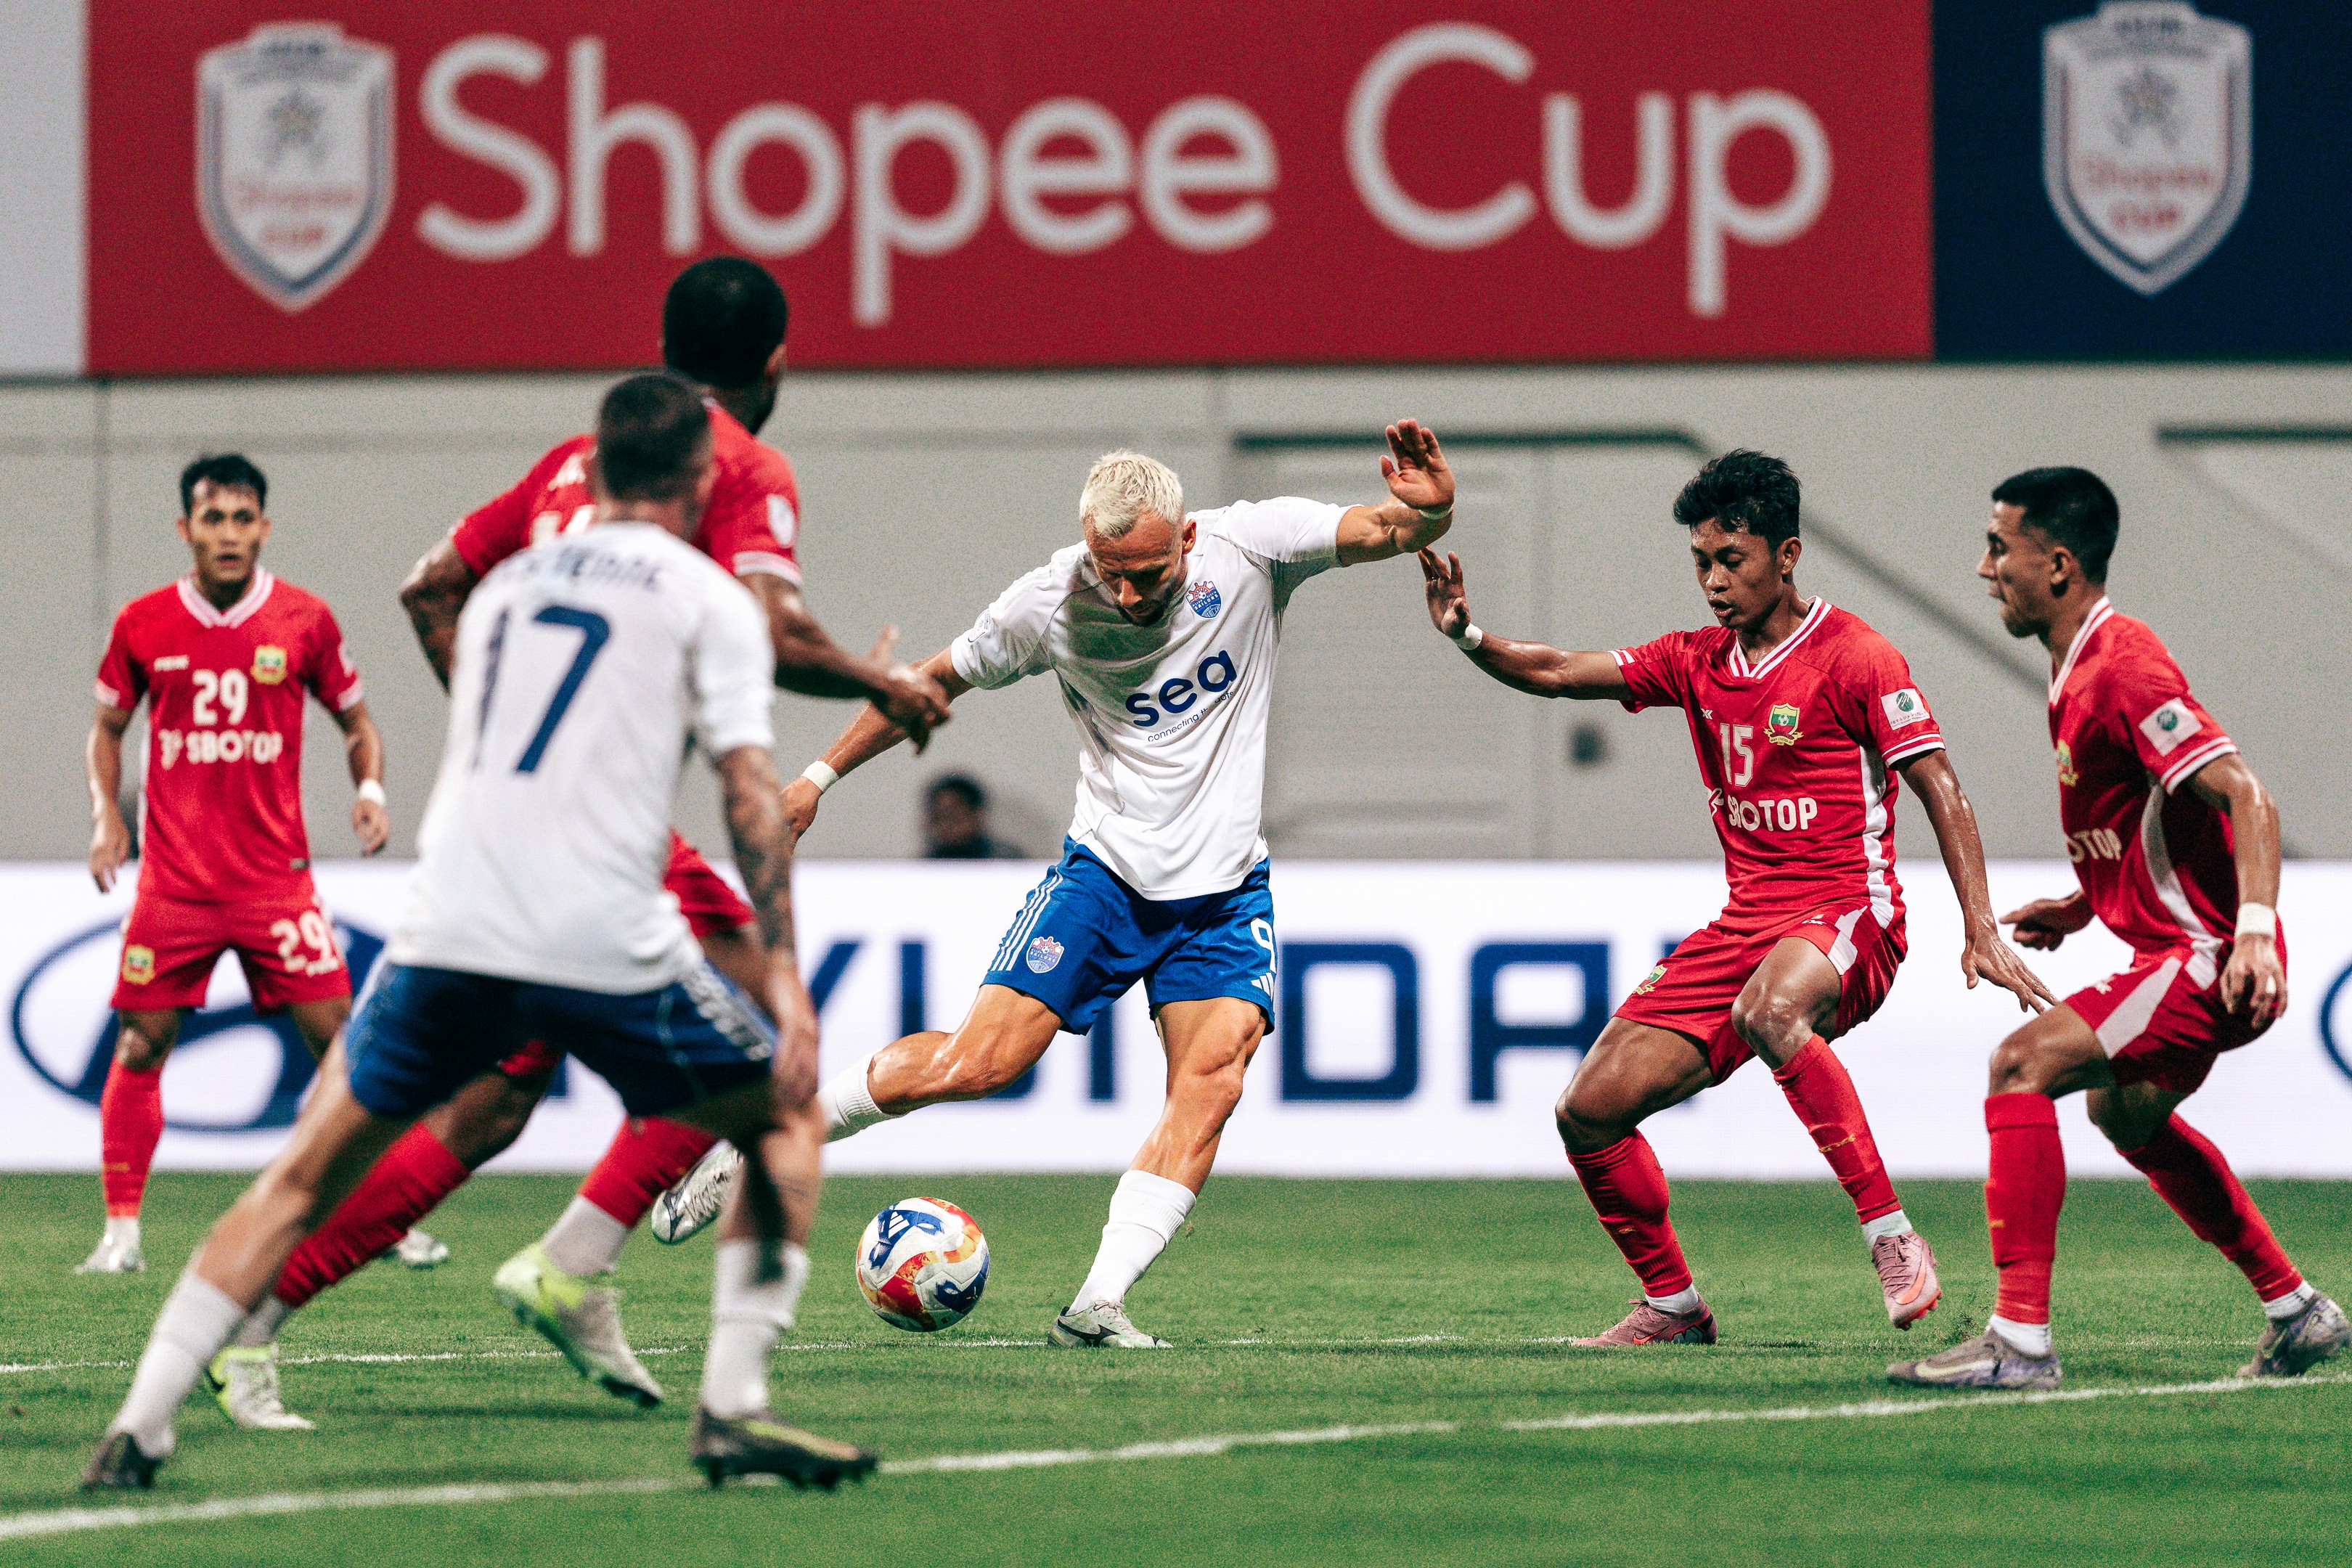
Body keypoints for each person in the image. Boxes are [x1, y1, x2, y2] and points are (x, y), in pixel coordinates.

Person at [82, 374, 875, 1493]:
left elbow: (436, 613)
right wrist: (783, 975)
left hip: (452, 916)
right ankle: (732, 1406)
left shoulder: (501, 594)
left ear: (588, 474)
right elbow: (751, 793)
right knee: (785, 1115)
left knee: (307, 1171)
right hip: (599, 920)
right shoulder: (708, 600)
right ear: (703, 482)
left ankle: (140, 1423)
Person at [205, 258, 950, 1429]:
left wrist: (506, 735)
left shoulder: (571, 460)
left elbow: (427, 588)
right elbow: (766, 625)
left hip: (516, 835)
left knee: (493, 1107)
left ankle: (253, 1322)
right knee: (756, 1052)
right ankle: (587, 1273)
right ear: (777, 365)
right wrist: (881, 686)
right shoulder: (739, 465)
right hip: (602, 841)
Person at [706, 423, 1458, 1350]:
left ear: (1188, 540)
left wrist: (1433, 511)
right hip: (1104, 877)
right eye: (1113, 572)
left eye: (1149, 572)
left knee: (1210, 1086)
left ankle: (1097, 1304)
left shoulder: (1254, 546)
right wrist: (816, 781)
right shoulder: (1050, 602)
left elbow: (1390, 530)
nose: (1130, 593)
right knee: (976, 1066)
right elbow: (931, 681)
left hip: (1224, 894)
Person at [1418, 450, 2053, 1346]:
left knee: (1770, 1007)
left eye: (1733, 560)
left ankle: (1893, 1237)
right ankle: (1673, 1304)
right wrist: (1469, 637)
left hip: (1849, 912)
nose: (1715, 582)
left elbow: (1940, 784)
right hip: (1744, 926)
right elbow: (1560, 670)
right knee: (1589, 1112)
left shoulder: (1857, 657)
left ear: (1786, 556)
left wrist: (1979, 927)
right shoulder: (1694, 662)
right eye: (1702, 564)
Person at [1889, 469, 2346, 1389]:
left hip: (2209, 958)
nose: (1984, 569)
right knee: (2124, 1111)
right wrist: (2085, 901)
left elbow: (2246, 797)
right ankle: (2297, 1311)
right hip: (2179, 948)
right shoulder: (2074, 668)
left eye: (1998, 547)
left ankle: (2019, 1344)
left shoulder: (2124, 663)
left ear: (2057, 563)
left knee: (2022, 1065)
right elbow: (2152, 824)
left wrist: (2254, 931)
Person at [79, 454, 406, 1276]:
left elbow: (357, 719)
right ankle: (120, 1235)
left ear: (264, 526)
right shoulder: (144, 623)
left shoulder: (304, 620)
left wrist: (368, 787)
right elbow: (109, 729)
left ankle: (379, 1216)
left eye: (242, 517)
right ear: (186, 529)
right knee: (141, 1044)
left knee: (344, 1044)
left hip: (274, 881)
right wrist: (104, 820)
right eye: (212, 518)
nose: (228, 534)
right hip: (176, 885)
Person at [922, 773, 1020, 859]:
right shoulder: (921, 869)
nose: (946, 826)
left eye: (954, 817)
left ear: (977, 815)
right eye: (938, 818)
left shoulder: (1009, 863)